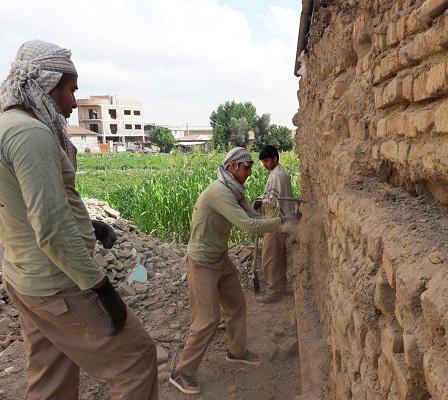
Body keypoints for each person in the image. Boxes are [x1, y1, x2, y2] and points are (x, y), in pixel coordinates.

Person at [0, 40, 158, 399]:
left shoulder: (6, 125)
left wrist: (86, 225)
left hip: (25, 278)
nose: (73, 103)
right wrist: (101, 289)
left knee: (51, 376)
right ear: (47, 85)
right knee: (135, 362)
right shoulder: (30, 133)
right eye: (70, 91)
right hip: (59, 282)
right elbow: (52, 230)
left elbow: (24, 204)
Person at [170, 147, 298, 395]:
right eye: (247, 167)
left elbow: (253, 215)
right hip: (202, 262)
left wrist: (281, 220)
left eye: (251, 166)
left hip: (219, 257)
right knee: (207, 319)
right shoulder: (220, 192)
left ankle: (236, 352)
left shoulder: (235, 190)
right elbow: (248, 225)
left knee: (237, 305)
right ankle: (181, 372)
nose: (250, 172)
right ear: (232, 167)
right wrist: (284, 223)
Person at [253, 145, 294, 304]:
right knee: (279, 257)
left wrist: (259, 202)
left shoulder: (277, 175)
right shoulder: (279, 173)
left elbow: (271, 201)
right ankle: (280, 287)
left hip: (276, 221)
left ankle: (274, 291)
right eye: (263, 161)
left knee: (270, 258)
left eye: (266, 161)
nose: (264, 165)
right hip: (280, 221)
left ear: (275, 159)